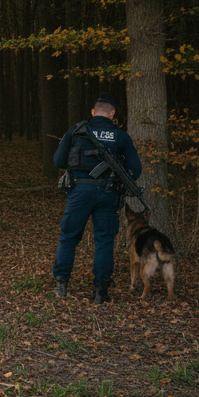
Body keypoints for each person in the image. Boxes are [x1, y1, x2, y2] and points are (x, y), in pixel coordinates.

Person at [52, 92, 143, 303]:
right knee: (104, 242)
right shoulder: (121, 136)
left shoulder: (75, 131)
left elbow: (58, 161)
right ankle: (101, 291)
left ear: (93, 112)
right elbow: (135, 171)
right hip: (108, 194)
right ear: (112, 114)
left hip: (79, 193)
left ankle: (61, 285)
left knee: (68, 238)